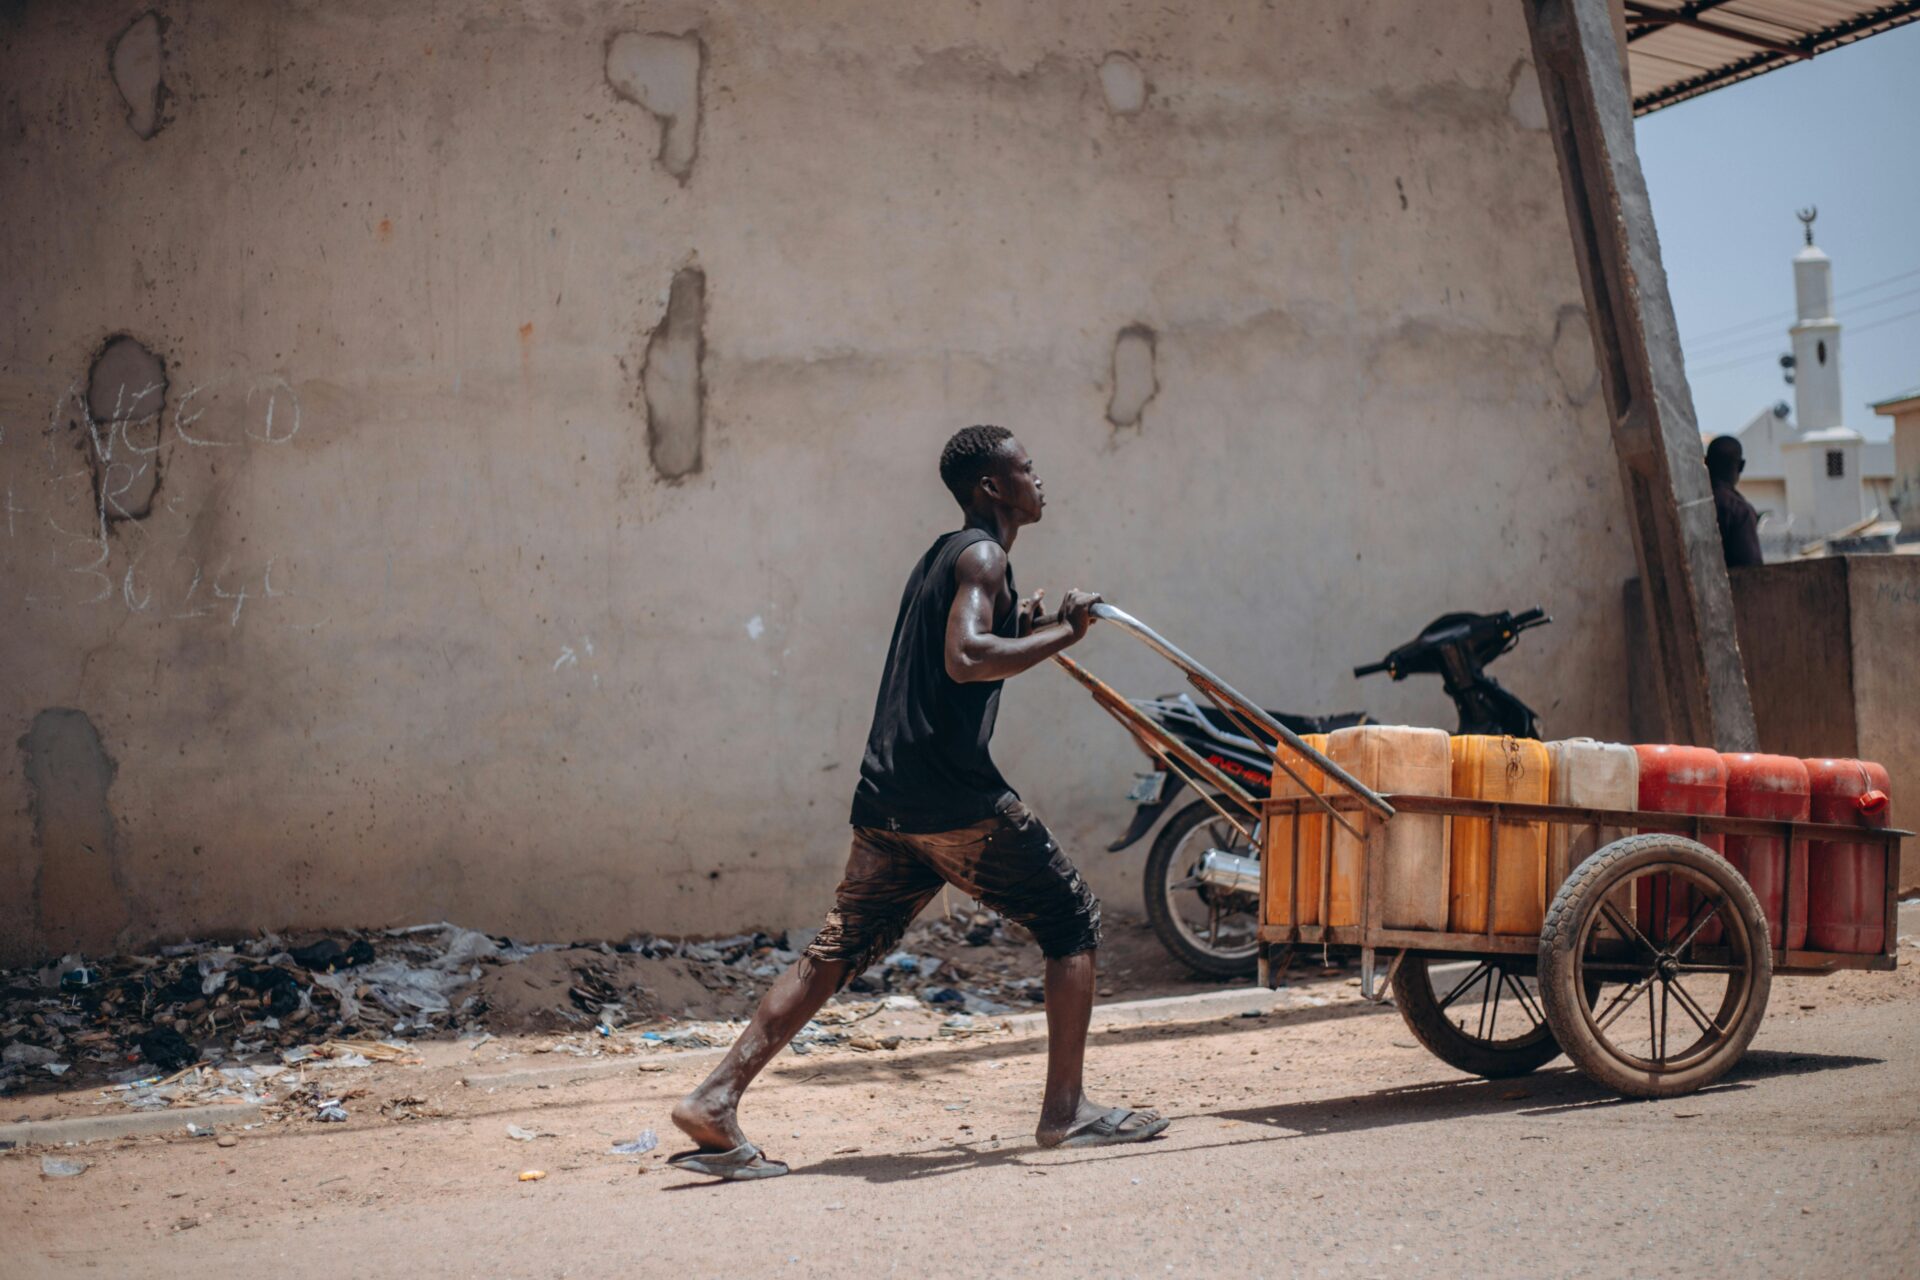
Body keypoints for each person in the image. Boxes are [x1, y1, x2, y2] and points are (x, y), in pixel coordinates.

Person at [668, 425, 1168, 1179]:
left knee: (834, 952)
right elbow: (966, 659)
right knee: (1071, 921)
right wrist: (1066, 633)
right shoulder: (983, 555)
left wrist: (1026, 625)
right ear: (992, 487)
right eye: (1026, 469)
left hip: (888, 797)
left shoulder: (949, 555)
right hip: (951, 799)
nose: (1040, 479)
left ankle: (715, 1097)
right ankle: (1067, 1113)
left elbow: (970, 645)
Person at [1706, 435, 1763, 568]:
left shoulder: (1687, 504)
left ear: (1706, 462)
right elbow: (1751, 571)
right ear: (1741, 466)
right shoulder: (1739, 511)